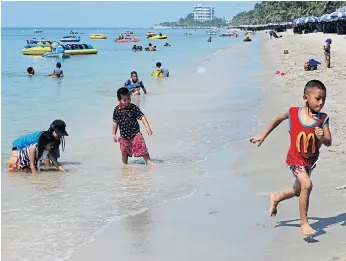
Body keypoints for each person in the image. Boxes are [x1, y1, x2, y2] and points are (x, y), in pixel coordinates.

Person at [250, 80, 332, 236]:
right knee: (307, 185)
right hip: (295, 159)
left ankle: (277, 197)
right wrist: (263, 135)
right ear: (305, 97)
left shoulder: (323, 119)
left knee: (298, 190)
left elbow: (329, 142)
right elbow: (277, 119)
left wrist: (322, 137)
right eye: (317, 98)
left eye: (324, 99)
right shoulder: (294, 113)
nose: (321, 103)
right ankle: (304, 223)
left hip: (309, 162)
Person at [112, 87, 153, 165]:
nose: (127, 101)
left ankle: (148, 162)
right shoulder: (116, 110)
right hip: (124, 136)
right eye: (124, 100)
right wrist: (114, 133)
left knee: (142, 146)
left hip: (135, 133)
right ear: (119, 100)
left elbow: (142, 117)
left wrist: (147, 127)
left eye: (128, 99)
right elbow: (115, 122)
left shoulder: (133, 107)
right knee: (124, 151)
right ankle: (124, 165)